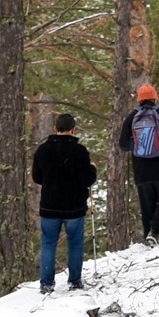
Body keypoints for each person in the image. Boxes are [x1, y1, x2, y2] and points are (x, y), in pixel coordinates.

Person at [31, 113, 97, 294]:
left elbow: (37, 177)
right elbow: (87, 180)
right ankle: (74, 281)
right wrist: (92, 168)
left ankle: (46, 284)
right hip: (74, 206)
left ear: (55, 129)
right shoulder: (80, 151)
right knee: (75, 244)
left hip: (49, 206)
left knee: (48, 244)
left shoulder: (42, 150)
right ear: (73, 129)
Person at [118, 82, 159, 246]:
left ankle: (149, 236)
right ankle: (155, 232)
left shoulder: (131, 117)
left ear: (139, 100)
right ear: (155, 98)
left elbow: (123, 144)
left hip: (142, 171)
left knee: (147, 205)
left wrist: (140, 147)